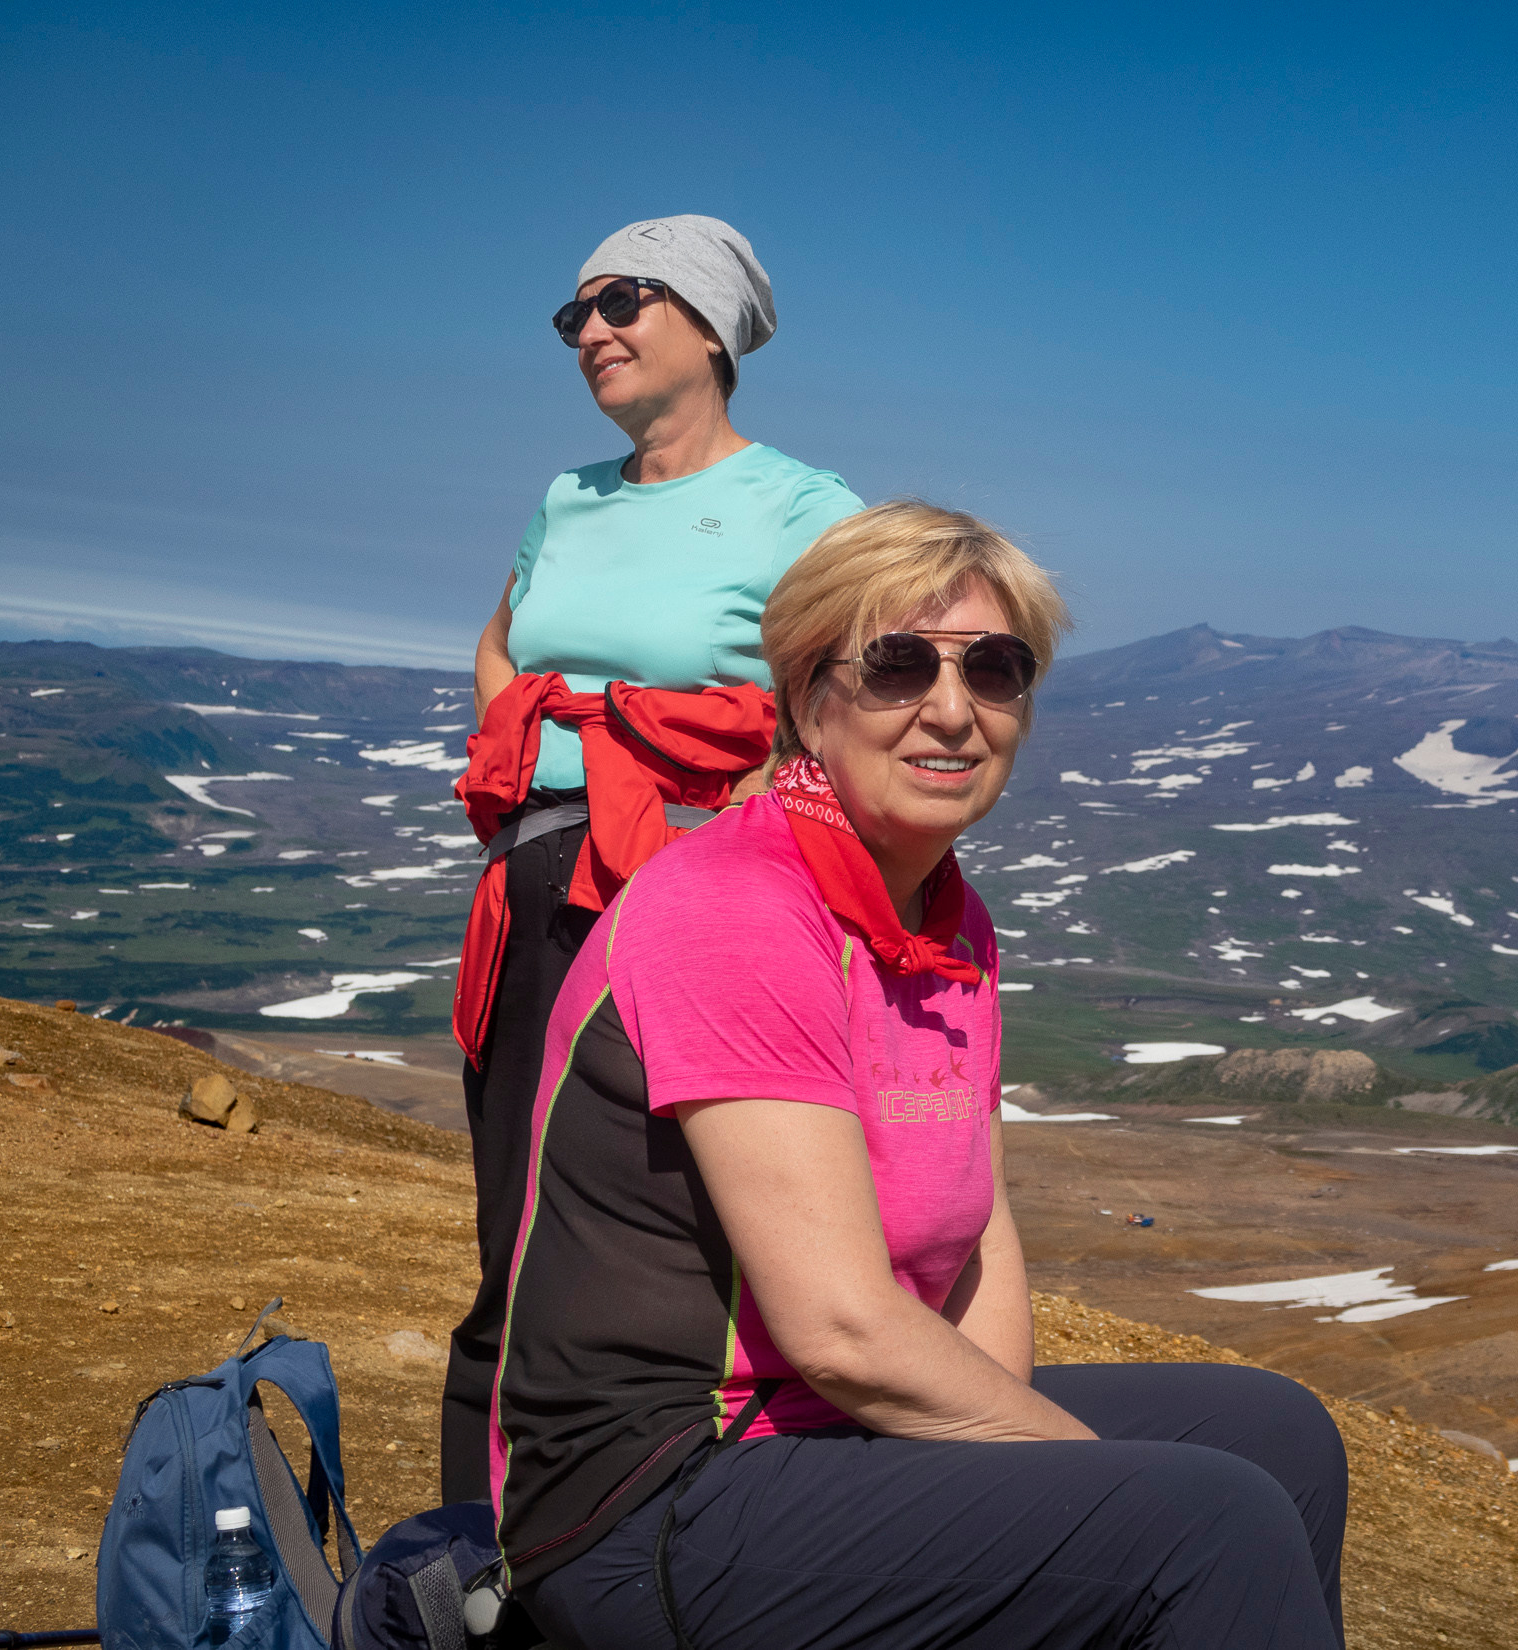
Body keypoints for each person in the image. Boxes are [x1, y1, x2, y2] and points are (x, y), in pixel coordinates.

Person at [489, 503, 1347, 1650]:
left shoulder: (946, 918)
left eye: (994, 669)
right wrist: (1092, 1489)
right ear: (806, 697)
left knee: (1274, 1435)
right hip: (654, 1491)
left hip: (821, 1435)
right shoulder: (737, 905)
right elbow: (842, 1328)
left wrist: (1043, 1502)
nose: (952, 710)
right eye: (896, 666)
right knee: (1204, 1520)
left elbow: (974, 1230)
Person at [442, 214, 864, 1502]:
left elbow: (842, 706)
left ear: (711, 323)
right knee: (516, 1229)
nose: (592, 332)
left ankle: (673, 1519)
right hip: (537, 874)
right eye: (573, 314)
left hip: (689, 889)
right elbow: (503, 641)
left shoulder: (808, 510)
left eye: (623, 301)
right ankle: (481, 1552)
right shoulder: (566, 497)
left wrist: (719, 841)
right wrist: (528, 736)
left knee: (658, 1229)